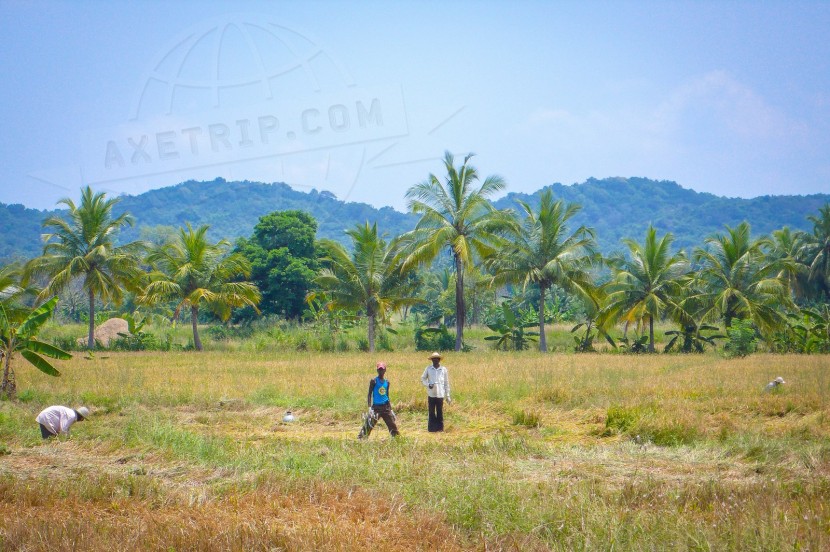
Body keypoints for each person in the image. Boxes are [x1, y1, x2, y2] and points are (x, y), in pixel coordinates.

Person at [358, 362, 399, 439]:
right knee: (369, 424)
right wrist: (369, 407)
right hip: (376, 407)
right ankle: (361, 438)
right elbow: (369, 394)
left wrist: (391, 409)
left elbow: (387, 396)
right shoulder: (374, 381)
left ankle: (397, 439)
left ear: (385, 370)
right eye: (379, 370)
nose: (381, 371)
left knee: (392, 425)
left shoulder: (387, 382)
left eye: (382, 370)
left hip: (386, 407)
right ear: (377, 370)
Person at [420, 352, 451, 432]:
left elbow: (446, 383)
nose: (435, 360)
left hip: (440, 394)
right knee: (431, 412)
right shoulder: (428, 369)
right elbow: (423, 379)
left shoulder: (443, 369)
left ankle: (440, 429)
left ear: (439, 360)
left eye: (437, 359)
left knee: (439, 411)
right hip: (431, 394)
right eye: (433, 359)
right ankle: (432, 429)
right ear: (432, 360)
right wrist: (428, 384)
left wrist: (448, 396)